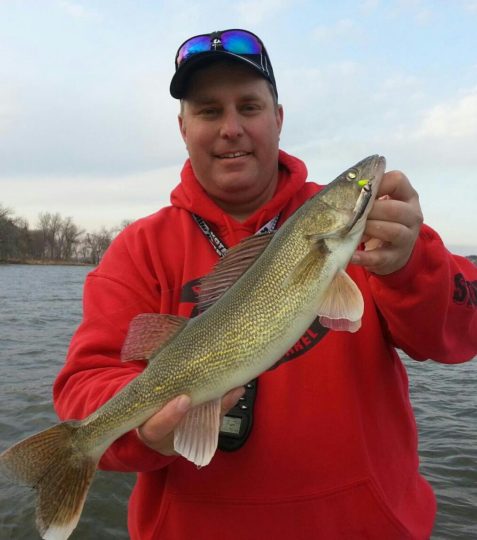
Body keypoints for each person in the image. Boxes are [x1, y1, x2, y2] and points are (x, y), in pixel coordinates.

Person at [53, 29, 477, 539]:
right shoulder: (138, 250)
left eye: (249, 107)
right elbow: (85, 384)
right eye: (209, 111)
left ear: (278, 118)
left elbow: (461, 331)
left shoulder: (381, 235)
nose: (231, 128)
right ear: (183, 128)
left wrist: (411, 264)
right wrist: (146, 428)